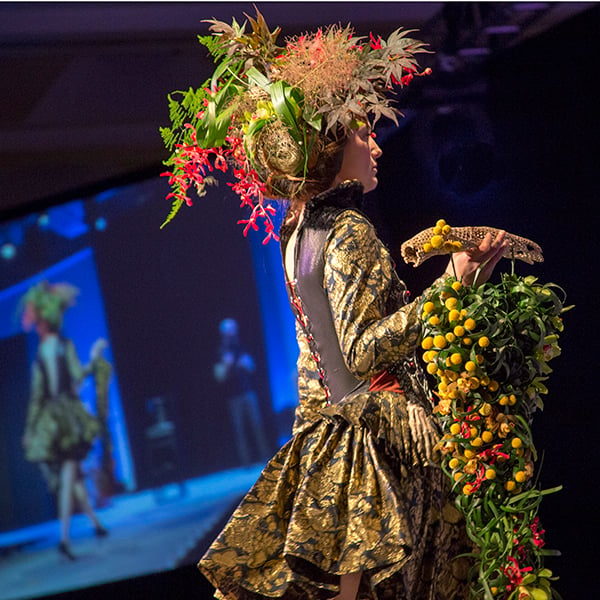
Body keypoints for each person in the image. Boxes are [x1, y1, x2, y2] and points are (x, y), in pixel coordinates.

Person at [161, 11, 507, 599]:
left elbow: (314, 356)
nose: (375, 144)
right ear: (328, 142)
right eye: (362, 132)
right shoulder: (347, 230)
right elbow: (363, 350)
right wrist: (450, 281)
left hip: (334, 437)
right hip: (374, 443)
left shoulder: (297, 230)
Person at [20, 281, 110, 560]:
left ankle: (95, 525)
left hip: (56, 421)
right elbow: (72, 379)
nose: (36, 326)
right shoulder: (58, 348)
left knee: (75, 476)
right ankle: (64, 537)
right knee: (71, 474)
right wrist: (93, 358)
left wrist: (31, 427)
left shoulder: (45, 353)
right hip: (64, 421)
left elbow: (40, 395)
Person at [214, 318, 271, 466]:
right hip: (233, 396)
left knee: (257, 424)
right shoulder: (221, 351)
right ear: (224, 333)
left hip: (248, 392)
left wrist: (246, 364)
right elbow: (218, 376)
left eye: (234, 330)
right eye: (230, 331)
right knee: (239, 430)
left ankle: (265, 456)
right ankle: (246, 461)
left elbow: (252, 367)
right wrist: (227, 365)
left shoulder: (241, 347)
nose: (233, 333)